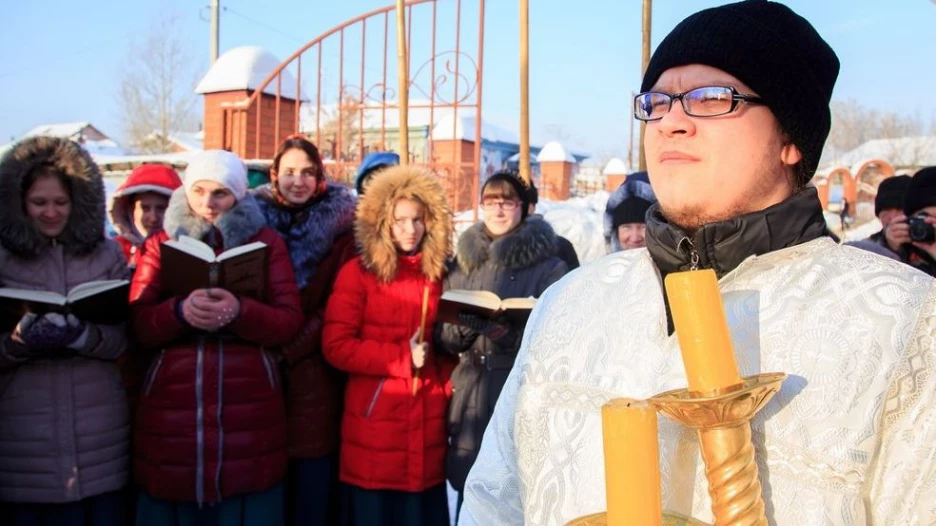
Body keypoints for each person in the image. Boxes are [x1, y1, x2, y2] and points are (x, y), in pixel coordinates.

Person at [459, 2, 936, 525]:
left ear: (791, 141)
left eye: (711, 99)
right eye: (657, 101)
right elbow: (494, 501)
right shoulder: (572, 301)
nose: (672, 122)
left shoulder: (906, 322)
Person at [130, 149, 304, 526]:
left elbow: (288, 320)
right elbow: (139, 322)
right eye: (199, 191)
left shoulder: (265, 243)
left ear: (238, 195)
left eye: (220, 193)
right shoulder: (162, 242)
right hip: (174, 405)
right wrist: (179, 312)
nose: (208, 203)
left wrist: (240, 313)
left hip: (248, 403)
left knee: (246, 499)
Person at [0, 136, 130, 525]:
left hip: (99, 434)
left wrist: (83, 336)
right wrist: (17, 343)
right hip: (24, 436)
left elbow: (125, 340)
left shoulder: (107, 254)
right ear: (20, 203)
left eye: (61, 202)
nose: (51, 213)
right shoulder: (3, 259)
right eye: (39, 203)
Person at [322, 165, 454, 526]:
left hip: (428, 420)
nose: (409, 230)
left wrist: (443, 384)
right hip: (375, 422)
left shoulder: (439, 274)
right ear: (382, 222)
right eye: (399, 221)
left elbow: (446, 344)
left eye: (417, 220)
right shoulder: (358, 273)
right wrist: (400, 359)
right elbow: (336, 345)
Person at [436, 169, 568, 518]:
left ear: (523, 208)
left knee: (519, 496)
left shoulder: (550, 265)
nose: (498, 209)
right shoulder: (462, 262)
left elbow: (560, 337)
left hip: (521, 392)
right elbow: (444, 338)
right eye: (490, 201)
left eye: (507, 201)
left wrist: (505, 334)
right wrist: (467, 326)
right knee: (471, 493)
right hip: (470, 393)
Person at [253, 136, 357, 526]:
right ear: (275, 175)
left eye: (307, 173)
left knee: (311, 478)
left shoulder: (342, 231)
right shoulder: (251, 222)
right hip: (259, 365)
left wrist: (288, 351)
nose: (298, 181)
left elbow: (335, 304)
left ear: (320, 178)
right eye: (290, 172)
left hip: (313, 369)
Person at [108, 163, 183, 270]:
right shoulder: (113, 251)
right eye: (145, 208)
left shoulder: (187, 250)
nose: (153, 218)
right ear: (130, 210)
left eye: (161, 208)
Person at [876, 168, 936, 277]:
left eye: (934, 218)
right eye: (923, 218)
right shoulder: (870, 248)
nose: (893, 218)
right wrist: (891, 249)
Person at [525, 179, 580, 270]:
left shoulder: (561, 248)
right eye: (493, 202)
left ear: (533, 206)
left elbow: (576, 282)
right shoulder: (493, 252)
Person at [603, 171, 656, 252]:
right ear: (615, 233)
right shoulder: (606, 264)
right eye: (626, 227)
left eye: (643, 227)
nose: (634, 239)